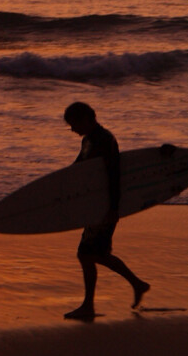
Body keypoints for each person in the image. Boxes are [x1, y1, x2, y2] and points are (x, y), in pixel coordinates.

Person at [63, 102, 150, 320]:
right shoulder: (89, 140)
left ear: (86, 118)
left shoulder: (104, 140)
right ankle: (137, 284)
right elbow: (80, 170)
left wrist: (113, 208)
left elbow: (113, 175)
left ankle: (90, 306)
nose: (72, 129)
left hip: (105, 207)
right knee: (95, 254)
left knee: (87, 254)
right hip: (95, 205)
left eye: (73, 123)